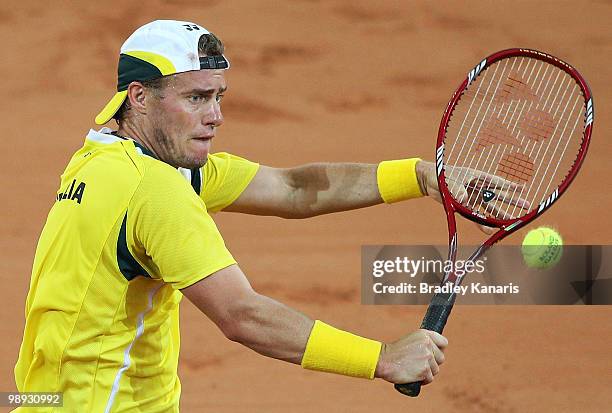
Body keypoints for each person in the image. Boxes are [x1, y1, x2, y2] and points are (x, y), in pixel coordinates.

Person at [14, 19, 498, 412]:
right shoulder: (156, 192)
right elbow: (243, 315)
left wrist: (418, 177)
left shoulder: (101, 157)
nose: (216, 115)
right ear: (139, 98)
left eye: (218, 95)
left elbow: (292, 189)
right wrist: (383, 358)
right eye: (195, 98)